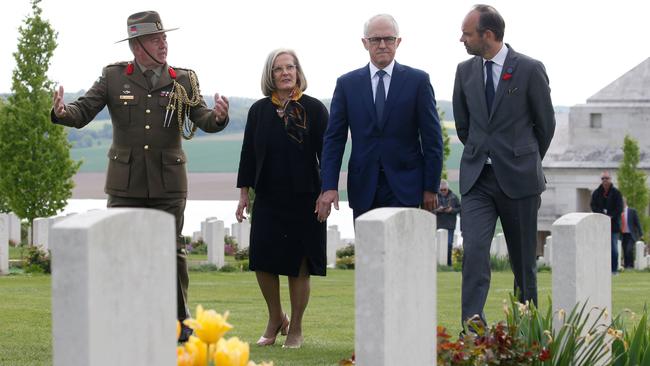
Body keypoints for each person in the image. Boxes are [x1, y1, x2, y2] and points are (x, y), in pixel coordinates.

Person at [50, 11, 230, 342]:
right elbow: (84, 109)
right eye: (154, 39)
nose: (163, 43)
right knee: (119, 250)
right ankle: (121, 317)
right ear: (137, 46)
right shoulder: (114, 77)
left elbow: (201, 115)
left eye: (164, 37)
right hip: (126, 181)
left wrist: (218, 118)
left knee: (171, 251)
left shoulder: (183, 79)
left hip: (168, 182)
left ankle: (179, 323)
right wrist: (63, 112)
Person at [452, 4, 556, 327]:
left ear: (488, 35)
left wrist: (521, 158)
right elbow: (463, 125)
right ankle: (473, 330)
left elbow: (545, 125)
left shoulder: (529, 69)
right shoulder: (464, 71)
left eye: (467, 34)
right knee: (474, 253)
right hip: (477, 180)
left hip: (519, 180)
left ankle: (525, 332)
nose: (462, 39)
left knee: (523, 264)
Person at [235, 49, 328, 349]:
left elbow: (328, 155)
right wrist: (243, 194)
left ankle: (296, 328)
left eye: (291, 67)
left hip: (305, 197)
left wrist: (327, 192)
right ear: (270, 75)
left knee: (299, 265)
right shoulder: (258, 111)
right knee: (262, 260)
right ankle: (276, 318)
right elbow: (248, 154)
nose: (286, 72)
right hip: (268, 197)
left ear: (298, 72)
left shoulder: (315, 109)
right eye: (278, 69)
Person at [316, 14, 443, 223]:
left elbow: (432, 139)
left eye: (389, 39)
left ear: (398, 42)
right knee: (368, 254)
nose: (382, 45)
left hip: (407, 187)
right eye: (375, 39)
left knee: (404, 254)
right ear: (365, 43)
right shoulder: (347, 84)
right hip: (364, 187)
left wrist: (431, 187)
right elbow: (334, 140)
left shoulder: (418, 81)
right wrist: (329, 186)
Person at [590, 171, 624, 273]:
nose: (605, 180)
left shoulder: (616, 193)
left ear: (610, 179)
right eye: (603, 178)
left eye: (607, 178)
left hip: (613, 226)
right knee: (600, 248)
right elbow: (593, 205)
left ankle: (614, 270)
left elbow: (619, 208)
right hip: (600, 225)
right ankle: (601, 269)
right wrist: (601, 214)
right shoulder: (596, 193)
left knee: (614, 249)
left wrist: (610, 216)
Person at [434, 180, 461, 266]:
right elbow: (429, 210)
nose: (443, 191)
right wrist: (437, 210)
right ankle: (437, 263)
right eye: (441, 190)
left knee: (449, 244)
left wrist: (452, 210)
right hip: (438, 225)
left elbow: (460, 208)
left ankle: (448, 263)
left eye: (444, 190)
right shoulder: (435, 197)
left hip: (450, 225)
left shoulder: (454, 197)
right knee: (437, 245)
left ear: (447, 188)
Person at [620, 198, 644, 268]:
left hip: (631, 235)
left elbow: (638, 223)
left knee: (629, 250)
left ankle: (631, 265)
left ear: (625, 202)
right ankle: (627, 266)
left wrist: (641, 234)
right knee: (624, 250)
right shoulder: (619, 212)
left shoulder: (632, 211)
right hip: (623, 234)